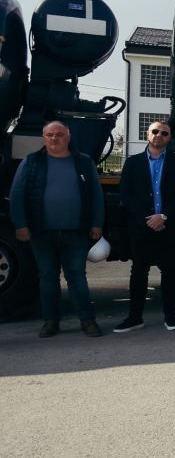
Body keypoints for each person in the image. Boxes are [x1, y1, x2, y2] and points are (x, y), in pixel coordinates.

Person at [9, 121, 104, 338]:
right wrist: (21, 225)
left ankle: (87, 321)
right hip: (41, 233)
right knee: (47, 278)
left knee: (77, 277)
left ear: (68, 137)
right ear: (44, 137)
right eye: (50, 134)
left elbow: (96, 196)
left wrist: (96, 224)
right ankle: (50, 322)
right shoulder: (31, 162)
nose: (54, 138)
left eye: (59, 134)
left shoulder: (84, 162)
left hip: (76, 233)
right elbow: (17, 195)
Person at [115, 120, 175, 333]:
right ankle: (134, 318)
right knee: (139, 271)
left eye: (164, 133)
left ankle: (170, 316)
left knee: (170, 271)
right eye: (155, 131)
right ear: (147, 134)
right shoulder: (133, 162)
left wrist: (164, 216)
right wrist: (148, 219)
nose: (159, 135)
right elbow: (126, 194)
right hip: (142, 227)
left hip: (170, 226)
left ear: (169, 138)